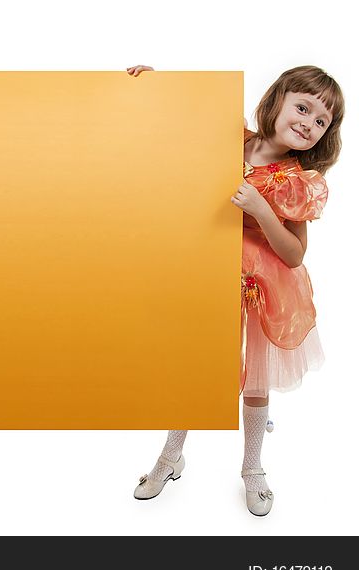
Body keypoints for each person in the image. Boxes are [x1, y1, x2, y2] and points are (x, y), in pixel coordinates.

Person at [126, 65, 344, 516]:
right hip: (206, 272)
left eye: (320, 121)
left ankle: (252, 467)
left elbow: (294, 254)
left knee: (255, 381)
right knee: (197, 367)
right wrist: (154, 82)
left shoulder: (297, 180)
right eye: (302, 107)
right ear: (277, 100)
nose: (308, 122)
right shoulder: (233, 139)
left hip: (260, 288)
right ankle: (171, 455)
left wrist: (264, 210)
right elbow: (181, 120)